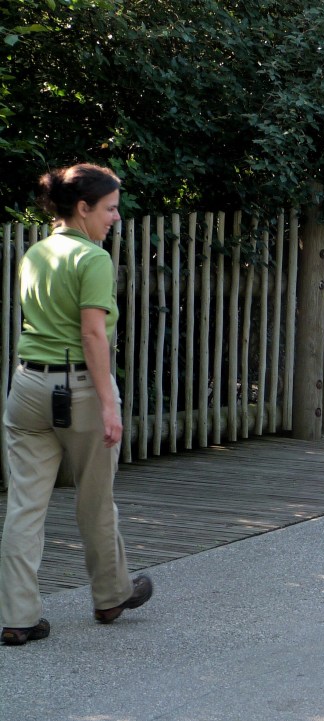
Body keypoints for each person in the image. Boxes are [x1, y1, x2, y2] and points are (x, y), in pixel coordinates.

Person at [0, 164, 153, 646]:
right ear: (83, 208)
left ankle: (17, 616)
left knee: (24, 506)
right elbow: (92, 334)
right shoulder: (94, 260)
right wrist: (110, 406)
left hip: (26, 388)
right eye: (109, 208)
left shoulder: (36, 253)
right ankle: (110, 596)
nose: (115, 217)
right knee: (95, 498)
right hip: (80, 389)